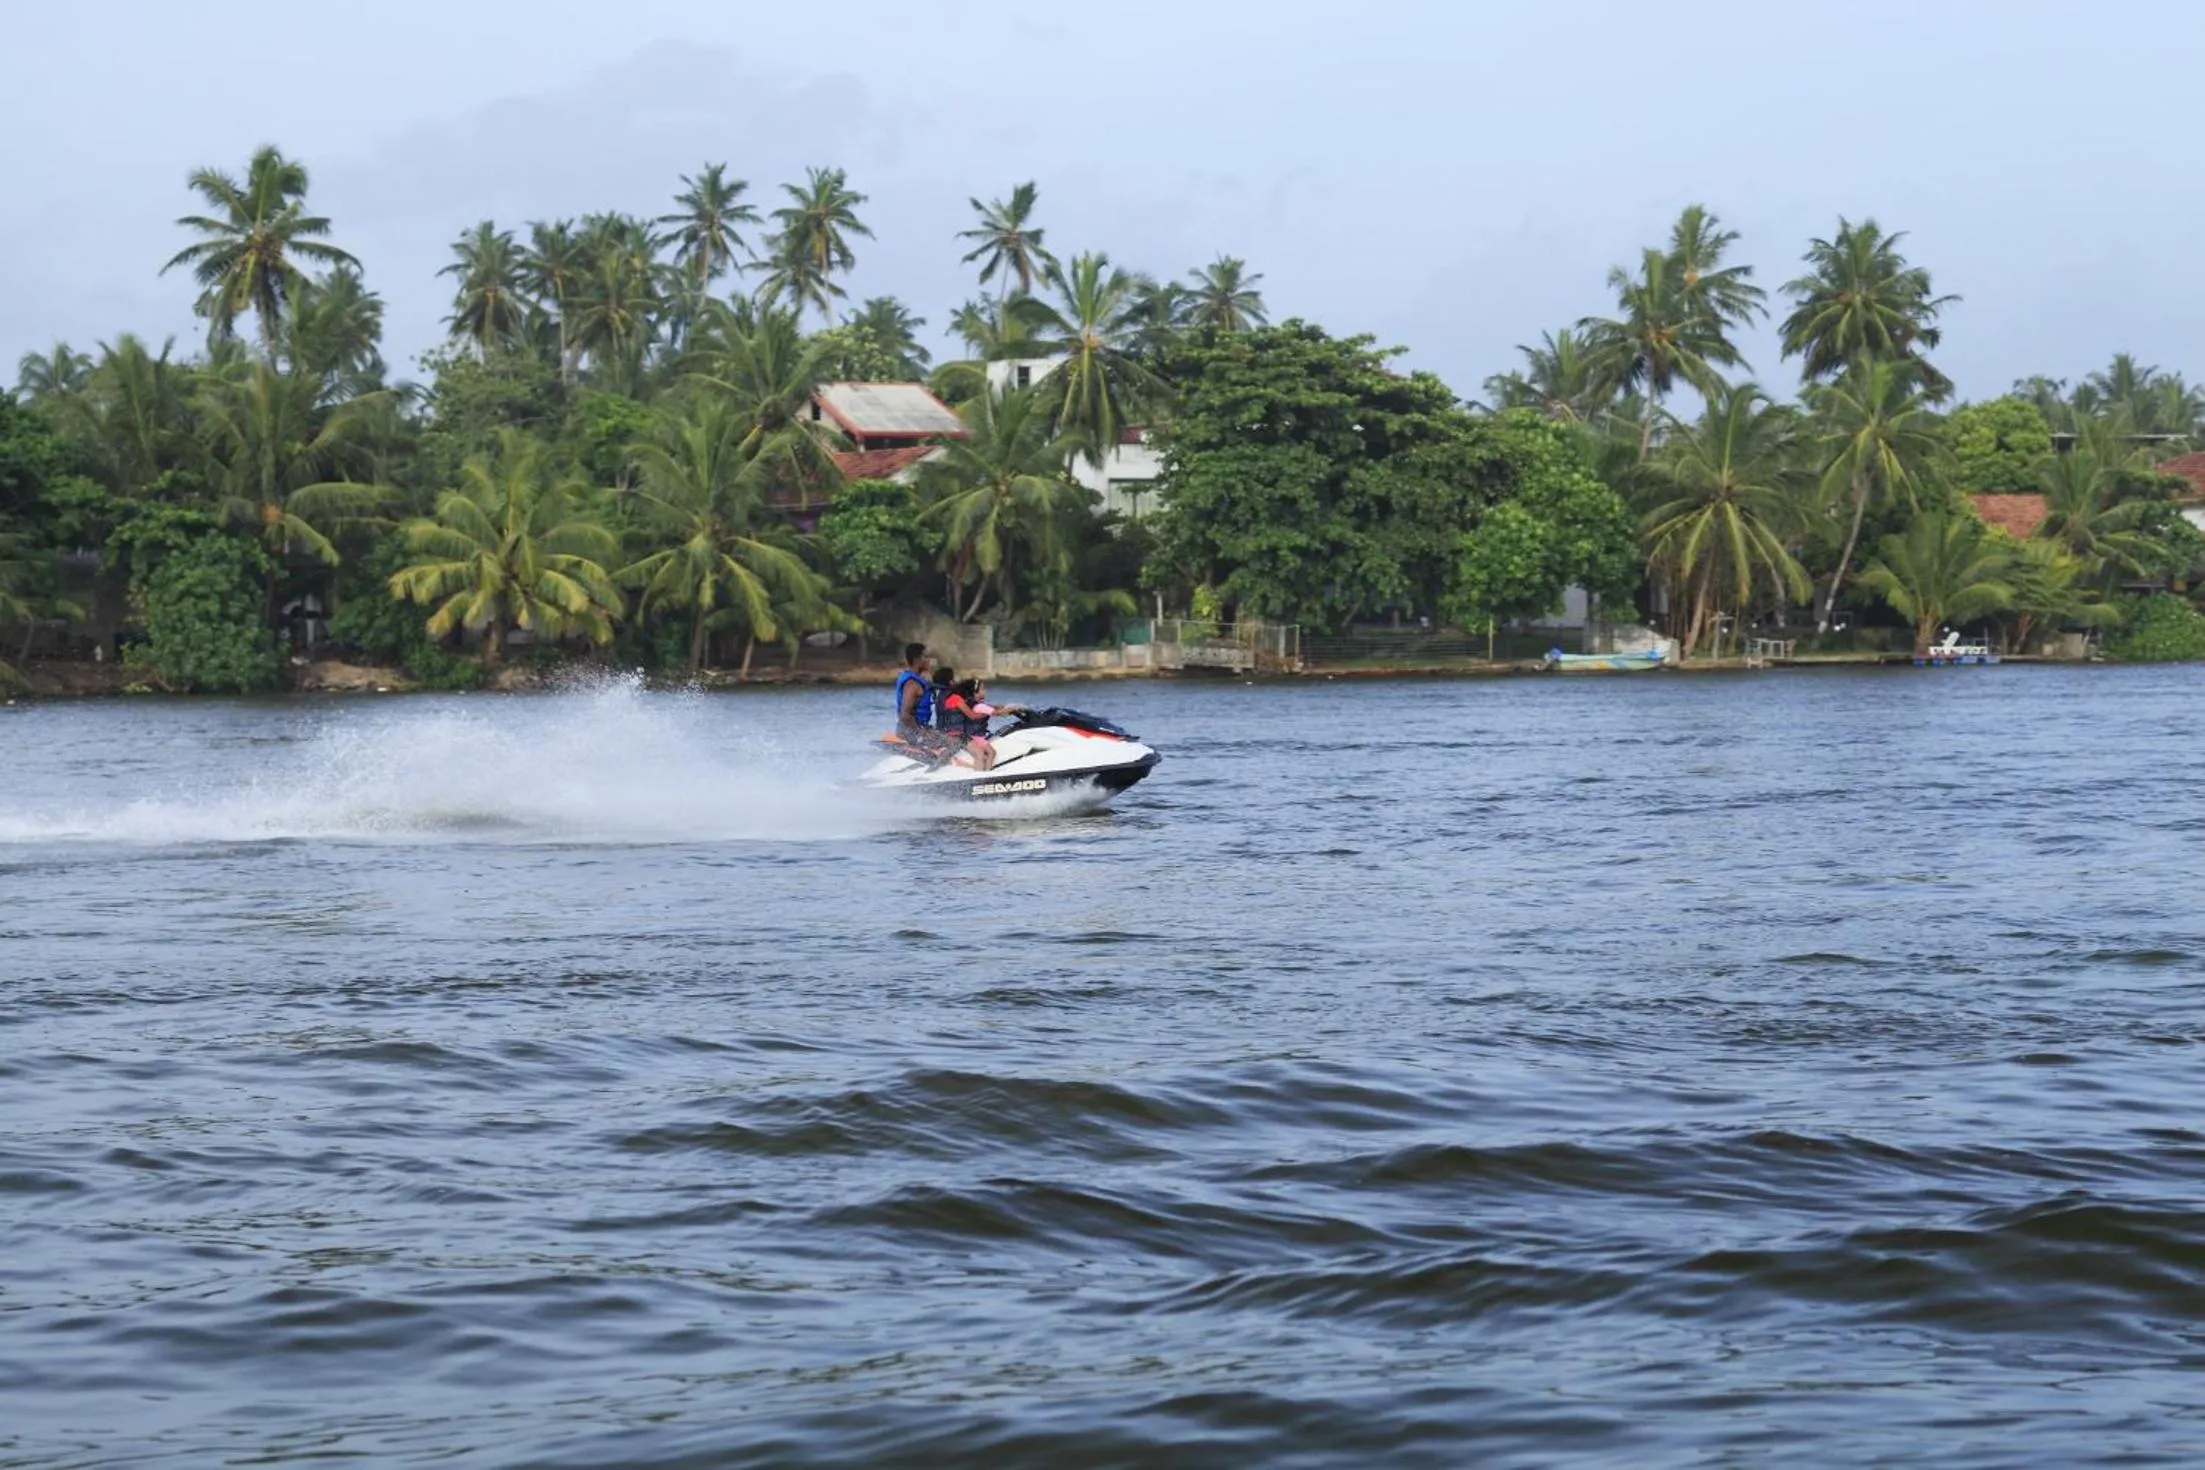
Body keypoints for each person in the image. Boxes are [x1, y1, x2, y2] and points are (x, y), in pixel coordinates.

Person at [893, 644, 936, 741]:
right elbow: (905, 715)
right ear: (917, 660)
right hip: (910, 733)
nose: (929, 660)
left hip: (919, 729)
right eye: (926, 657)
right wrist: (922, 733)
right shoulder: (912, 684)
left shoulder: (918, 680)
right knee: (954, 743)